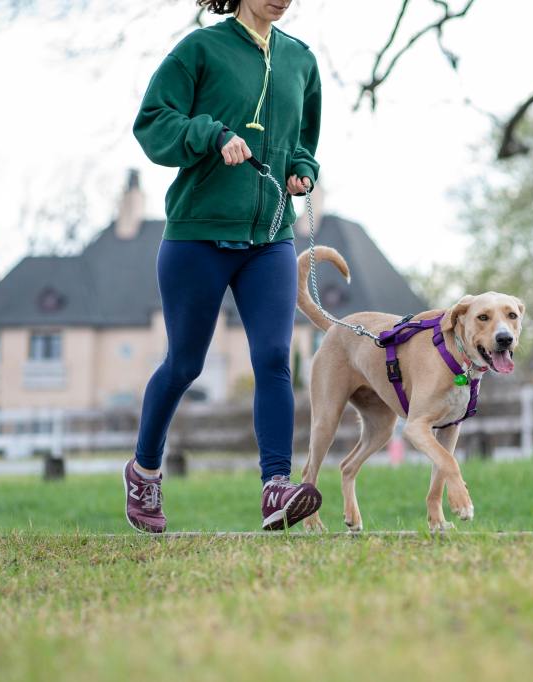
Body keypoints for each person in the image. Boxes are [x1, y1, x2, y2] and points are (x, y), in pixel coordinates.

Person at [123, 0, 323, 533]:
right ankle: (144, 471)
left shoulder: (301, 60)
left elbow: (305, 139)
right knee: (185, 364)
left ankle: (275, 487)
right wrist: (209, 135)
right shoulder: (201, 50)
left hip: (271, 238)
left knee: (276, 357)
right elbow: (153, 122)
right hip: (198, 234)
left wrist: (302, 167)